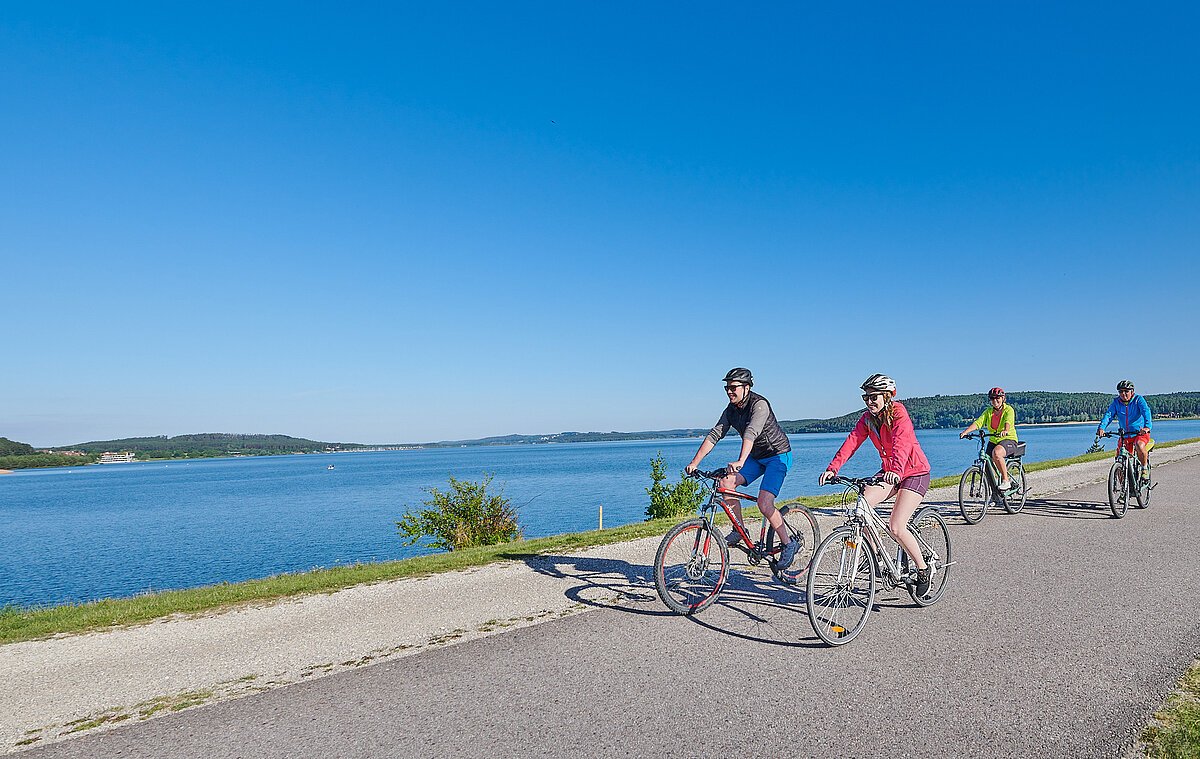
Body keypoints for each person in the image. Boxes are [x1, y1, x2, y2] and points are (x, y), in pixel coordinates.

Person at [818, 374, 933, 597]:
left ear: (888, 396)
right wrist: (833, 468)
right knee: (862, 505)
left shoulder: (899, 413)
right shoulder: (867, 419)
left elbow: (902, 442)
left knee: (897, 525)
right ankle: (877, 558)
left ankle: (923, 569)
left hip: (914, 471)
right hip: (891, 471)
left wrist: (896, 471)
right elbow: (851, 442)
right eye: (866, 397)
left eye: (873, 397)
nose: (869, 401)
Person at [684, 368, 801, 571]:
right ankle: (740, 530)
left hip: (777, 456)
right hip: (756, 457)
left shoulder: (759, 405)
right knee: (725, 483)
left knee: (765, 503)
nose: (729, 391)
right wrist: (695, 463)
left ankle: (788, 543)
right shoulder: (731, 410)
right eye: (726, 387)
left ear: (747, 388)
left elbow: (751, 432)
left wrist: (740, 460)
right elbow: (714, 435)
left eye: (733, 387)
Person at [959, 387, 1020, 492]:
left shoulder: (1008, 410)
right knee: (986, 463)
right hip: (994, 440)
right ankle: (994, 495)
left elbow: (1008, 422)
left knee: (996, 453)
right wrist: (966, 432)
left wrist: (1005, 430)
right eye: (992, 398)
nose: (995, 400)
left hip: (1008, 439)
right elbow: (979, 422)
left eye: (997, 398)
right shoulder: (988, 412)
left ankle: (1006, 480)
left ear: (1003, 398)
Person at [1098, 380, 1153, 481]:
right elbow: (1109, 415)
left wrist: (1147, 427)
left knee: (1139, 446)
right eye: (1120, 392)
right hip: (1125, 435)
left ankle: (1144, 468)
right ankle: (1124, 486)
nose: (1123, 394)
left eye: (1126, 391)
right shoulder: (1116, 402)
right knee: (1119, 458)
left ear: (1132, 391)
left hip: (1140, 433)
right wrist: (1102, 428)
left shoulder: (1138, 400)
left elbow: (1146, 412)